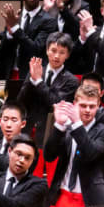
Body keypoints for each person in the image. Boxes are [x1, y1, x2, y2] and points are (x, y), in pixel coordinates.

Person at [18, 32, 79, 183]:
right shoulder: (37, 70)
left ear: (68, 55)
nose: (56, 56)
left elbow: (56, 103)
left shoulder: (71, 80)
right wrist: (31, 80)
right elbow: (20, 101)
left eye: (61, 52)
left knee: (52, 181)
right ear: (46, 50)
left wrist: (38, 82)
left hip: (53, 135)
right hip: (31, 131)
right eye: (53, 50)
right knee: (30, 179)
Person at [0, 0, 57, 84]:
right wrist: (9, 34)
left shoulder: (48, 21)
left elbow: (35, 49)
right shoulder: (16, 16)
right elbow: (3, 50)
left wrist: (15, 28)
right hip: (11, 72)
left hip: (31, 75)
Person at [0, 102, 27, 170]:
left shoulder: (27, 149)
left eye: (14, 120)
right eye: (5, 120)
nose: (8, 125)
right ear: (0, 122)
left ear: (23, 124)